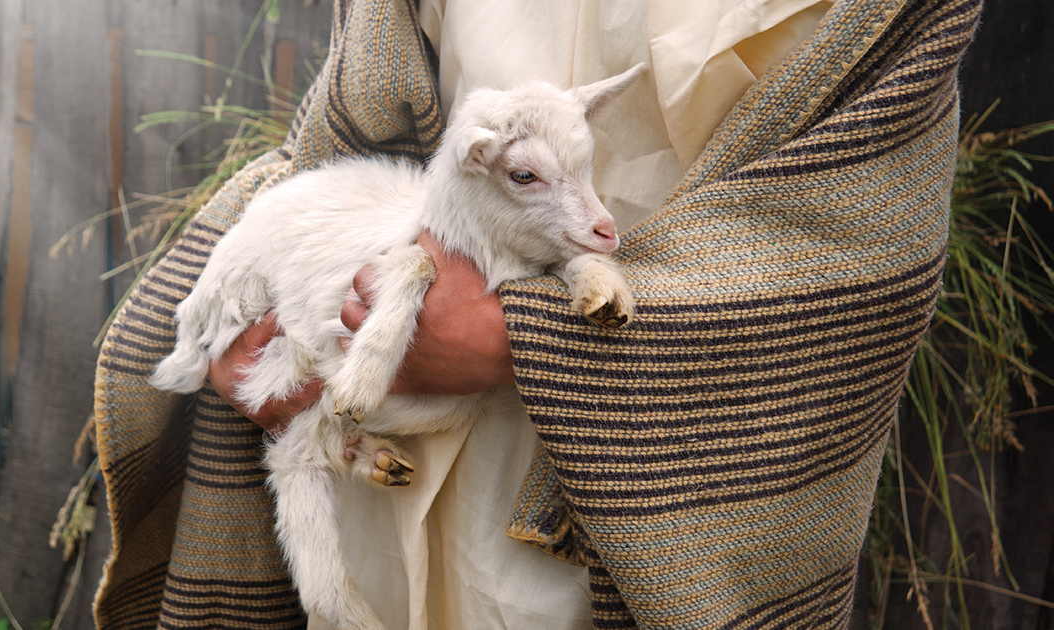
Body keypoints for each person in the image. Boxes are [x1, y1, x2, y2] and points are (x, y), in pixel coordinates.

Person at [92, 0, 982, 627]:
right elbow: (341, 141)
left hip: (637, 511)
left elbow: (862, 257)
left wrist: (526, 337)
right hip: (380, 491)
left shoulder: (879, 15)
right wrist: (246, 306)